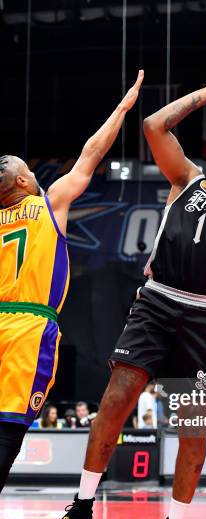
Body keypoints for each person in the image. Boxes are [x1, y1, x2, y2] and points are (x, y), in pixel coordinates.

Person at [52, 47, 206, 519]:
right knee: (115, 401)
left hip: (203, 320)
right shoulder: (186, 180)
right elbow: (153, 125)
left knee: (193, 433)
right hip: (155, 301)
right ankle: (82, 504)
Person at [0, 69, 144, 494]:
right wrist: (122, 108)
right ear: (24, 181)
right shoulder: (49, 204)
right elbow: (91, 153)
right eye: (28, 169)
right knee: (9, 427)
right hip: (27, 328)